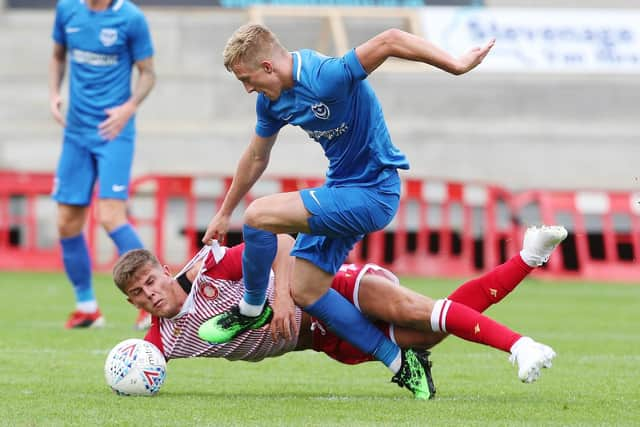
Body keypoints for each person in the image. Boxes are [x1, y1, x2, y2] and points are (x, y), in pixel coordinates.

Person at [198, 23, 495, 398]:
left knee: (258, 216)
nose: (248, 89)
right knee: (305, 290)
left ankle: (252, 307)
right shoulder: (271, 102)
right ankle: (400, 362)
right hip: (343, 190)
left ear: (269, 67)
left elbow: (390, 39)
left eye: (247, 78)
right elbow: (257, 155)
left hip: (374, 193)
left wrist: (455, 65)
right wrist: (223, 212)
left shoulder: (326, 76)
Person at [113, 225, 568, 399]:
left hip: (328, 287)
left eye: (151, 280)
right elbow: (136, 366)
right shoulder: (163, 341)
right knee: (429, 333)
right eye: (138, 293)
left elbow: (280, 243)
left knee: (418, 310)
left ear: (166, 271)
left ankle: (519, 346)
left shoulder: (209, 271)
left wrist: (285, 298)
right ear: (133, 303)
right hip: (325, 339)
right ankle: (529, 255)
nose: (150, 293)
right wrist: (122, 379)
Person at [49, 0, 156, 329]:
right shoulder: (67, 10)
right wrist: (54, 93)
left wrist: (129, 108)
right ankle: (87, 308)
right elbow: (57, 55)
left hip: (114, 132)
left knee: (110, 216)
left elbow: (148, 74)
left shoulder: (131, 18)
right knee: (67, 221)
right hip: (76, 132)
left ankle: (152, 299)